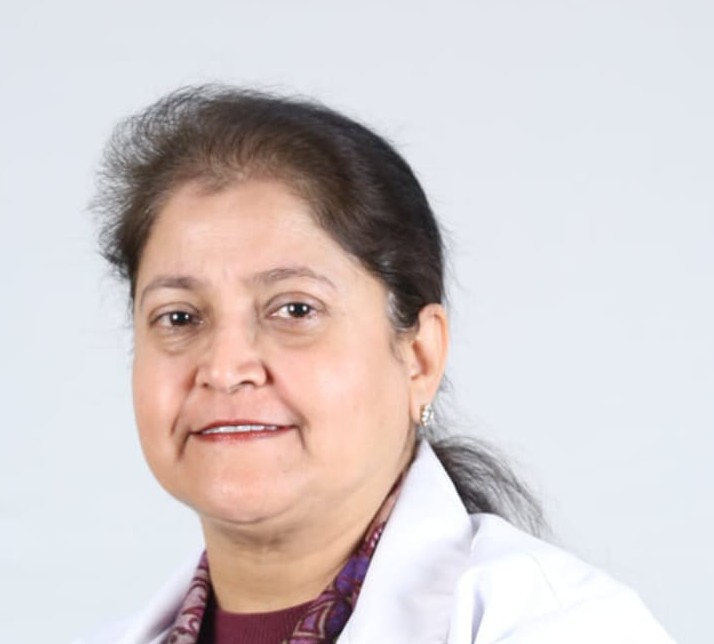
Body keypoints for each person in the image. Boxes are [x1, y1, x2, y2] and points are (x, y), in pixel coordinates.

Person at [77, 85, 674, 643]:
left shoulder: (565, 625)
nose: (225, 368)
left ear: (419, 358)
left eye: (295, 309)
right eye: (180, 317)